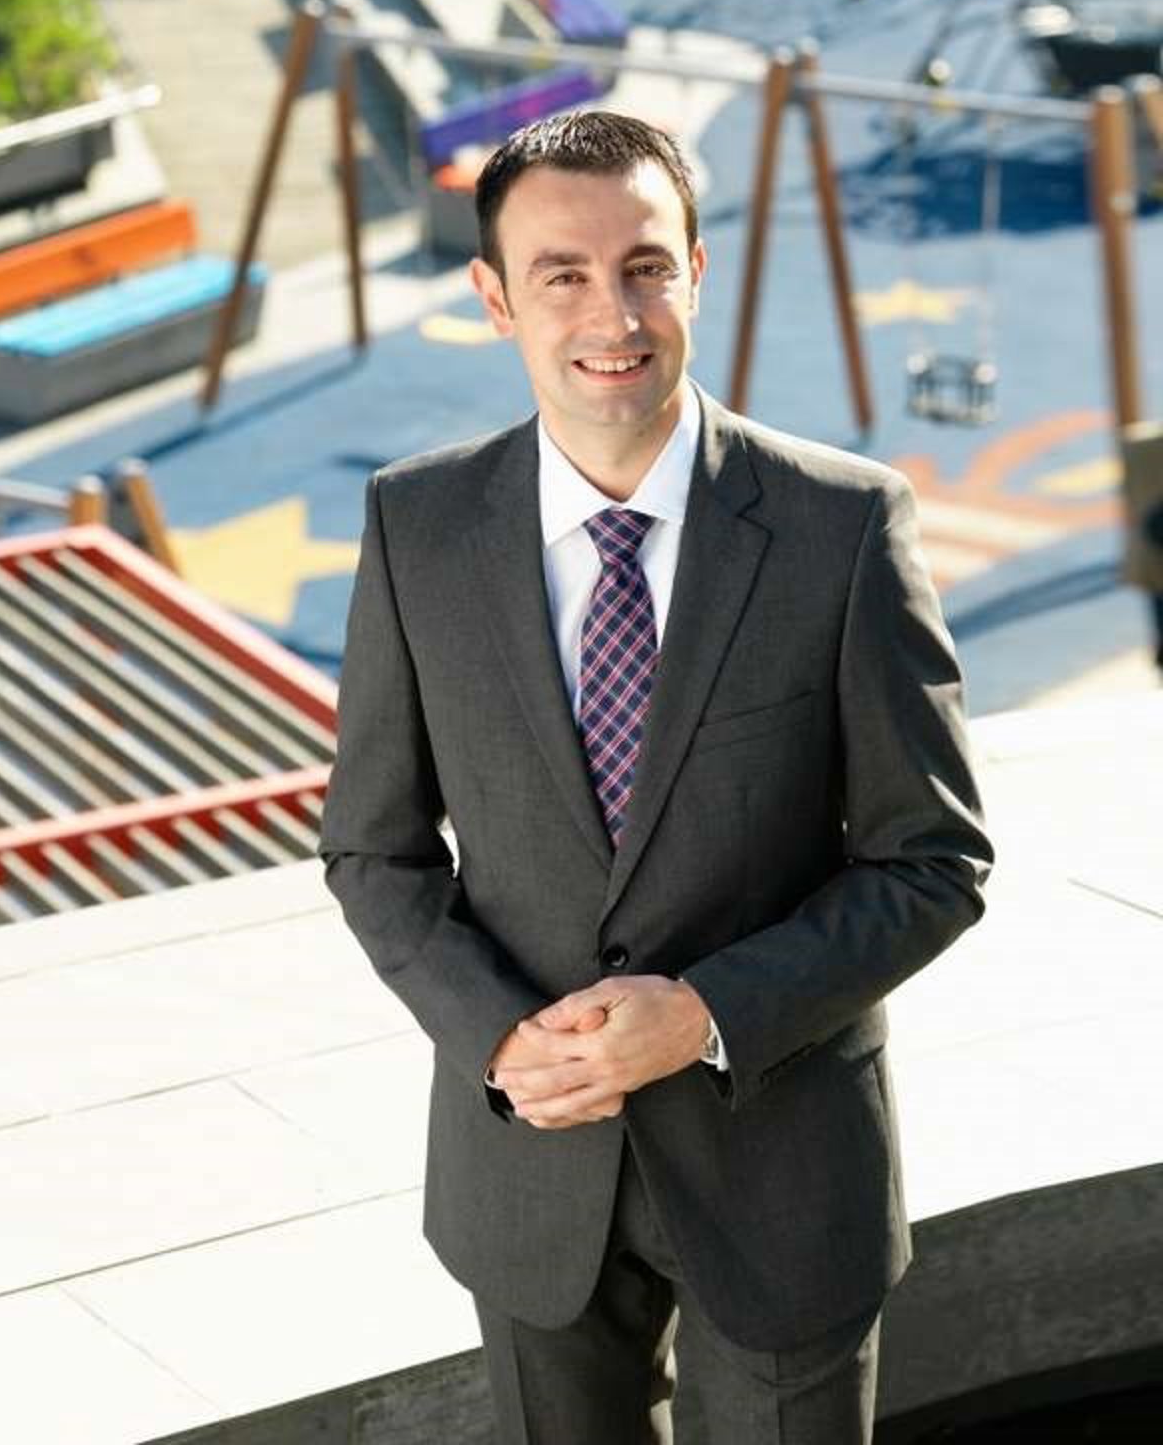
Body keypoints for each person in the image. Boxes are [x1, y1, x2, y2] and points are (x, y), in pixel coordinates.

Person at [319, 110, 993, 1444]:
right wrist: (499, 1040)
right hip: (527, 1163)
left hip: (784, 1168)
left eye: (643, 268)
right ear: (495, 299)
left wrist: (704, 1015)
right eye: (562, 275)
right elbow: (373, 849)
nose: (611, 316)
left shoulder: (843, 525)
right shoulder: (417, 526)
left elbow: (932, 861)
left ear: (695, 269)